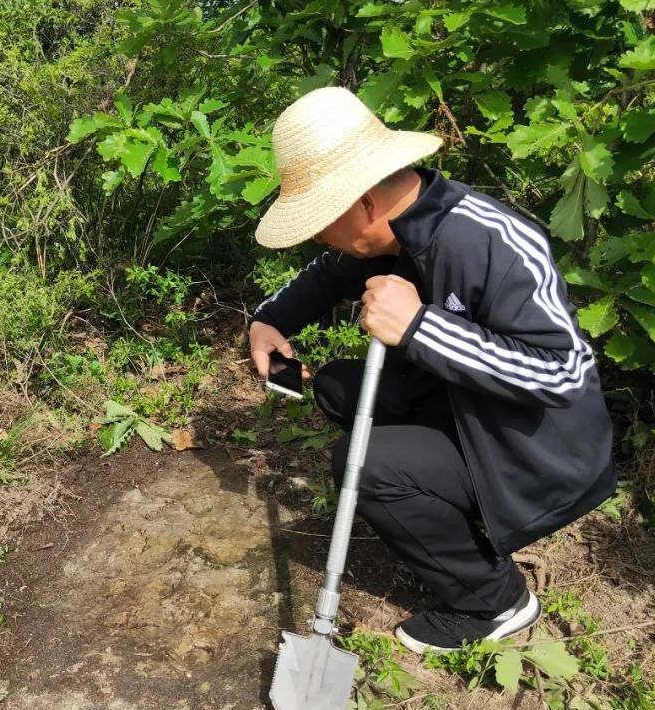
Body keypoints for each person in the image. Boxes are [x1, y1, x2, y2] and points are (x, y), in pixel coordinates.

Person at [248, 86, 618, 654]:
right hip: (462, 406)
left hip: (534, 452)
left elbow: (562, 375)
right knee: (337, 388)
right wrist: (270, 319)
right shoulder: (387, 234)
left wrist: (422, 327)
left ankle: (493, 601)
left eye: (321, 220)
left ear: (364, 203)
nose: (317, 236)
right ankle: (432, 510)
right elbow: (327, 273)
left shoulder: (490, 239)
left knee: (362, 463)